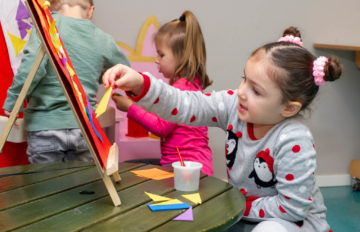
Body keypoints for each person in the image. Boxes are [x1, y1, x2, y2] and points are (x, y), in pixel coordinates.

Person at [102, 26, 342, 232]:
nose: (241, 91)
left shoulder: (293, 139)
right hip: (246, 215)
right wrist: (142, 84)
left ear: (288, 108)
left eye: (256, 90)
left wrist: (235, 204)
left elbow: (291, 208)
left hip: (295, 224)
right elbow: (185, 103)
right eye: (244, 78)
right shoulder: (233, 105)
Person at [3, 0, 130, 164]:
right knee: (79, 185)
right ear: (90, 11)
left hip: (46, 127)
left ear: (52, 6)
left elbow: (32, 69)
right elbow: (124, 71)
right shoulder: (101, 38)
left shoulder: (47, 28)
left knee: (47, 185)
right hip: (85, 129)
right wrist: (95, 73)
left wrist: (13, 103)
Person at [112, 10, 214, 175]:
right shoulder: (189, 85)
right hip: (185, 164)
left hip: (187, 167)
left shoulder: (182, 89)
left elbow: (161, 127)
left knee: (129, 171)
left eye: (161, 54)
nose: (156, 60)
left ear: (181, 57)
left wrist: (130, 107)